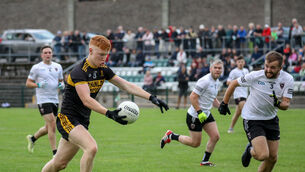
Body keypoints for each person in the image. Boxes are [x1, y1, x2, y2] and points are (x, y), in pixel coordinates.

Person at [41, 35, 169, 172]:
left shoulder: (103, 69)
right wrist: (109, 113)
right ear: (90, 51)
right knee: (91, 148)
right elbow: (86, 100)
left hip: (82, 120)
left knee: (59, 164)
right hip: (68, 118)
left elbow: (126, 85)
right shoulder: (79, 71)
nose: (104, 58)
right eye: (101, 54)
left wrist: (152, 97)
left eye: (106, 55)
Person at [219, 51, 294, 171]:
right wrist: (224, 103)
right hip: (252, 118)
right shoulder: (255, 75)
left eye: (272, 68)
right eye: (266, 66)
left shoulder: (288, 79)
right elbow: (233, 83)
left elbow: (286, 104)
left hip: (271, 119)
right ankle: (250, 149)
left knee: (273, 158)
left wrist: (278, 103)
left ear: (281, 67)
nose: (268, 70)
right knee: (263, 155)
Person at [160, 59, 225, 167]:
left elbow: (212, 98)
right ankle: (171, 136)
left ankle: (205, 161)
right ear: (210, 69)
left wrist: (221, 107)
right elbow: (193, 96)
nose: (218, 70)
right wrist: (199, 112)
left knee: (215, 136)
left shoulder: (217, 81)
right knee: (195, 143)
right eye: (215, 68)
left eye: (220, 68)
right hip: (195, 115)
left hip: (206, 114)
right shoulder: (205, 81)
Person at [25, 45, 64, 157]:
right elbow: (28, 83)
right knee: (52, 124)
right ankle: (55, 153)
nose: (47, 54)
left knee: (48, 128)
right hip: (43, 99)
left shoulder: (58, 66)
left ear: (52, 54)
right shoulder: (36, 68)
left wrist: (62, 85)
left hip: (54, 99)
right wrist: (37, 84)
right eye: (45, 53)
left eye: (49, 52)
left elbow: (61, 81)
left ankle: (32, 139)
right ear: (42, 55)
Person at [226, 56, 249, 133]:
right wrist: (236, 83)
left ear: (244, 63)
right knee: (246, 111)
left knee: (237, 113)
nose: (240, 63)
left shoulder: (246, 71)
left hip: (245, 94)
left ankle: (230, 128)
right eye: (239, 62)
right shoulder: (234, 72)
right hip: (238, 95)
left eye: (242, 62)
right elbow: (228, 82)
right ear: (236, 63)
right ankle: (250, 128)